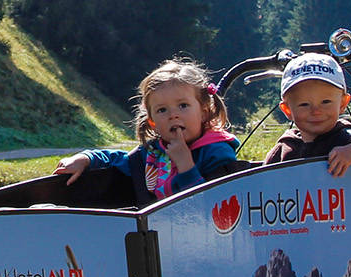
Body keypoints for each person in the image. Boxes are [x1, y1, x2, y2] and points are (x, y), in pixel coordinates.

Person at [53, 58, 240, 200]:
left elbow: (212, 209)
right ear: (153, 122)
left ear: (204, 112)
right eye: (162, 110)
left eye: (183, 105)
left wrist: (185, 165)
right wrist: (85, 159)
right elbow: (120, 160)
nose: (173, 115)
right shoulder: (153, 153)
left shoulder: (216, 154)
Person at [263, 52, 351, 175]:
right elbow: (262, 185)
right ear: (287, 110)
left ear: (343, 104)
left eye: (326, 102)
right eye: (304, 104)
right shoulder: (283, 149)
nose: (316, 111)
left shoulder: (346, 138)